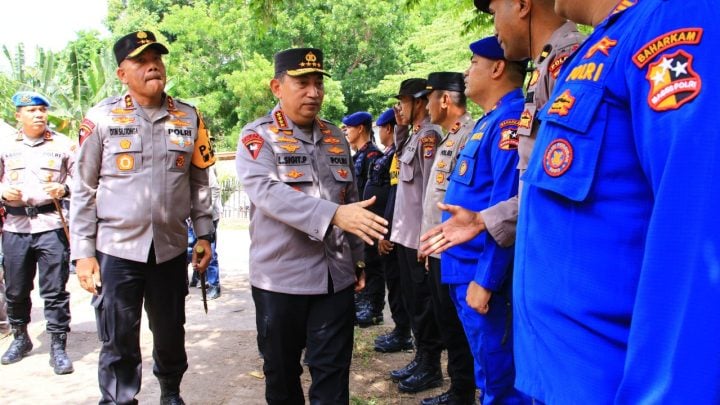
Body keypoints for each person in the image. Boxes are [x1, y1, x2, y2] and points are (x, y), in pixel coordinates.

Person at [512, 1, 720, 403]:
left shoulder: (675, 18)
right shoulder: (604, 46)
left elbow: (698, 238)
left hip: (611, 386)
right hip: (562, 378)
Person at [235, 47, 388, 404]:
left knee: (333, 375)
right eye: (302, 83)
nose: (314, 92)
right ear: (277, 86)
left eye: (318, 83)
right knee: (282, 375)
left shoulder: (335, 136)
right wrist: (332, 215)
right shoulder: (257, 137)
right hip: (280, 279)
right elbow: (267, 192)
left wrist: (357, 258)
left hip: (334, 279)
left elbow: (349, 200)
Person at [70, 31, 215, 405]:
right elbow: (83, 189)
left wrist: (204, 235)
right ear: (122, 73)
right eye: (140, 60)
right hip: (116, 251)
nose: (153, 65)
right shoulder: (100, 118)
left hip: (168, 249)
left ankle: (170, 391)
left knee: (170, 331)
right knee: (118, 337)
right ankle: (120, 399)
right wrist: (84, 253)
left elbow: (199, 180)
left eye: (157, 58)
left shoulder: (189, 116)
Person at [420, 0, 584, 256]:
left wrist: (486, 278)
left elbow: (564, 183)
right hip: (536, 249)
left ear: (521, 5)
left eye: (495, 12)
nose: (495, 28)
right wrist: (481, 220)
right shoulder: (544, 68)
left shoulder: (568, 61)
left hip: (555, 253)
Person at [440, 37, 529, 404]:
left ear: (496, 68)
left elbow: (503, 209)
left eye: (473, 62)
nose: (466, 70)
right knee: (486, 374)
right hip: (463, 268)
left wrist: (486, 278)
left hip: (482, 275)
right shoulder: (489, 120)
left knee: (500, 381)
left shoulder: (510, 120)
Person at [0, 91, 75, 374]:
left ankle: (58, 346)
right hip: (16, 227)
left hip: (51, 225)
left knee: (54, 290)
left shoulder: (63, 144)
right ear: (18, 114)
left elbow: (83, 180)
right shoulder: (4, 145)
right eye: (31, 110)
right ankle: (21, 339)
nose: (39, 115)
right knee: (16, 289)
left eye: (43, 110)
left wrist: (65, 189)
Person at [415, 72, 477, 405]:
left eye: (428, 99)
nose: (424, 106)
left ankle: (463, 391)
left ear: (444, 100)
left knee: (457, 325)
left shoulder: (469, 135)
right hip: (438, 247)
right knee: (447, 322)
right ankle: (459, 389)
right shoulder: (448, 136)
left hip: (455, 248)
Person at [388, 78, 443, 394]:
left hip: (418, 238)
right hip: (405, 237)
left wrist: (427, 238)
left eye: (405, 101)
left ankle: (431, 366)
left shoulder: (429, 138)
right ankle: (421, 358)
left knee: (424, 305)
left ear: (420, 102)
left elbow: (429, 192)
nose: (400, 107)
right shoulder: (414, 137)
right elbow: (401, 168)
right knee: (413, 302)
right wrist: (400, 130)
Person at [371, 108, 414, 353]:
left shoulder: (397, 153)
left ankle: (404, 334)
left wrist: (386, 232)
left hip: (399, 230)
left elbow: (398, 196)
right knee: (396, 284)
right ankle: (401, 330)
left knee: (403, 287)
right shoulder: (393, 154)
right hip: (390, 226)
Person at [342, 111, 384, 327]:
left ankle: (374, 309)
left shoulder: (372, 156)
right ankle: (363, 302)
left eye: (348, 128)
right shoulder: (357, 155)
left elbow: (373, 194)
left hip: (368, 220)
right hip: (355, 219)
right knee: (361, 262)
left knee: (372, 266)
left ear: (360, 128)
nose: (345, 132)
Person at [189, 166, 222, 299]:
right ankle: (197, 277)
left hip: (207, 217)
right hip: (189, 218)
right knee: (191, 249)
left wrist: (204, 212)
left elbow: (214, 189)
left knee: (209, 251)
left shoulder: (203, 162)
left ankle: (214, 285)